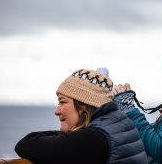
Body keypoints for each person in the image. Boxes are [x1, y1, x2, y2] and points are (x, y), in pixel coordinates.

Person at [15, 68, 148, 164]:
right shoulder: (117, 123)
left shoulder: (93, 138)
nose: (57, 111)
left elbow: (25, 144)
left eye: (62, 101)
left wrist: (70, 134)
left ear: (83, 105)